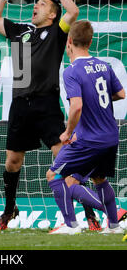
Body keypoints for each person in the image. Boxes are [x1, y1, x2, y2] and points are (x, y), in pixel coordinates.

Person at [0, 0, 102, 231]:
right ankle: (9, 210)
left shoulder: (58, 32)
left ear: (52, 13)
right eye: (35, 3)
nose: (35, 7)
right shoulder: (21, 31)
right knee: (12, 162)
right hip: (20, 104)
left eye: (42, 4)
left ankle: (89, 215)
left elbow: (74, 11)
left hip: (47, 103)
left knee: (64, 157)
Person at [46, 20, 126, 234]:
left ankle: (71, 226)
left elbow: (77, 106)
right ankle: (115, 225)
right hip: (111, 136)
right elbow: (121, 94)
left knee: (55, 176)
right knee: (99, 179)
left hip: (88, 139)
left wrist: (67, 132)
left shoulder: (72, 71)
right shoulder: (104, 66)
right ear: (90, 41)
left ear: (69, 41)